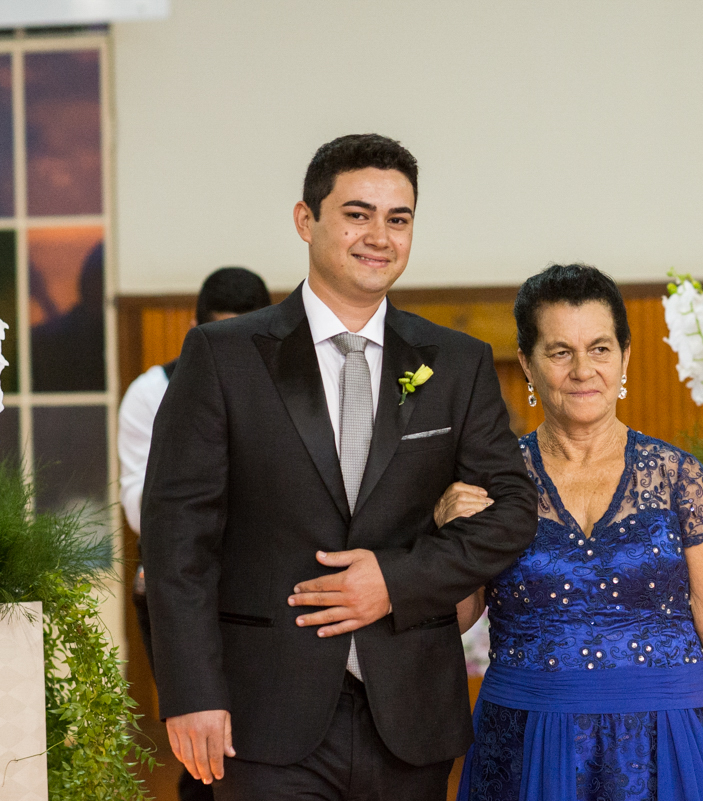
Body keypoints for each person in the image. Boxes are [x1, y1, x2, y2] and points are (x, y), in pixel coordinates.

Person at [140, 134, 539, 801]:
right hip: (263, 714)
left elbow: (514, 510)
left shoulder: (455, 362)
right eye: (357, 213)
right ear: (306, 219)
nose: (378, 235)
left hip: (411, 713)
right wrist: (191, 692)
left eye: (398, 218)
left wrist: (397, 578)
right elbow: (178, 538)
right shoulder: (223, 356)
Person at [443, 264, 703, 801]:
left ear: (625, 358)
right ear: (527, 364)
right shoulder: (495, 483)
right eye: (560, 352)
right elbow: (456, 620)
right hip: (527, 743)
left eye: (600, 349)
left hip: (668, 744)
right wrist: (449, 539)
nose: (583, 369)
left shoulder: (683, 479)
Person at [118, 266, 270, 801]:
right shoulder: (151, 390)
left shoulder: (286, 388)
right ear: (195, 329)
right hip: (180, 579)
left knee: (259, 734)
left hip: (262, 581)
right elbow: (144, 507)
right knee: (200, 729)